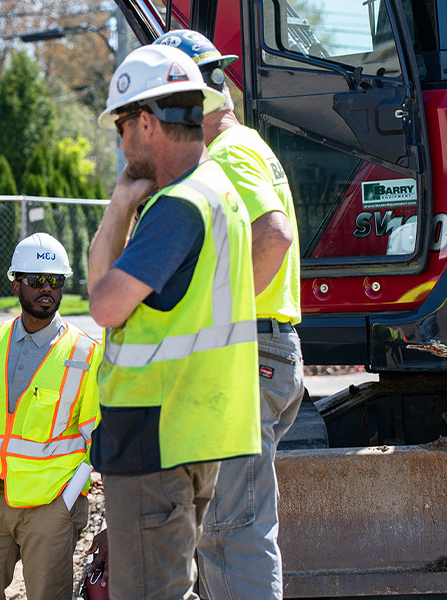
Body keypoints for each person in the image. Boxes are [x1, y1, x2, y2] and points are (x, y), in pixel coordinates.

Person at [85, 44, 260, 600]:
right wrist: (125, 202)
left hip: (152, 434)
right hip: (195, 429)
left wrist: (121, 206)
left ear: (145, 123)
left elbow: (104, 304)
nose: (119, 144)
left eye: (121, 128)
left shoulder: (178, 206)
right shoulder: (218, 192)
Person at [153, 29, 306, 600]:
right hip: (263, 352)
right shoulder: (241, 148)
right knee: (229, 525)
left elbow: (274, 234)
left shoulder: (229, 151)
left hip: (246, 355)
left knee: (228, 532)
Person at [0, 232, 103, 600]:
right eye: (37, 280)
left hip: (51, 505)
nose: (47, 289)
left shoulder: (85, 354)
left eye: (55, 281)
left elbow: (105, 446)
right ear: (16, 283)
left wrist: (73, 503)